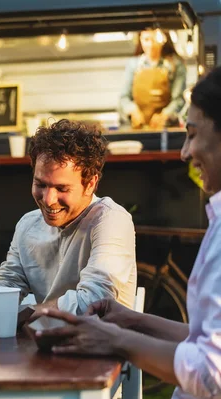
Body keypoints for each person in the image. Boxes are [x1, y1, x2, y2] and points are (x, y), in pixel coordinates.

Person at [37, 66, 221, 399]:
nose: (184, 152)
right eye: (40, 184)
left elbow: (212, 373)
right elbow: (206, 339)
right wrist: (134, 321)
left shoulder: (110, 218)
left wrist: (116, 340)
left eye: (192, 134)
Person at [0, 120, 137, 316]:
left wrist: (25, 313)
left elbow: (94, 303)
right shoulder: (28, 225)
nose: (48, 200)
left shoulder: (111, 220)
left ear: (90, 184)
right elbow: (6, 290)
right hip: (45, 345)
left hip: (104, 349)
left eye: (61, 188)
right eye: (41, 185)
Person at [119, 28, 187, 129]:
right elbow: (124, 98)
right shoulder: (133, 64)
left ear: (163, 39)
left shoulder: (175, 65)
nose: (150, 45)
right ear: (140, 40)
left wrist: (164, 115)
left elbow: (178, 99)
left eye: (154, 40)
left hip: (166, 128)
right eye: (146, 40)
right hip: (136, 128)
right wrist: (133, 111)